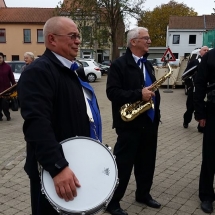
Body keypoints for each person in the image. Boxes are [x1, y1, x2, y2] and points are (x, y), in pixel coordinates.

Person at [17, 16, 102, 215]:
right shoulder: (39, 71)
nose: (78, 41)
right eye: (72, 36)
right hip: (52, 170)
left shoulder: (72, 70)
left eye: (78, 36)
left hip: (76, 162)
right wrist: (57, 167)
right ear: (52, 39)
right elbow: (36, 125)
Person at [106, 27, 161, 215]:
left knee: (147, 163)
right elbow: (112, 93)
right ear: (133, 42)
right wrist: (139, 94)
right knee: (123, 165)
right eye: (146, 38)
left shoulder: (148, 64)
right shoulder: (119, 65)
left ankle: (143, 194)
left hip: (149, 123)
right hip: (129, 125)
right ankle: (112, 202)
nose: (149, 41)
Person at [193, 48, 215, 214]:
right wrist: (200, 113)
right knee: (210, 155)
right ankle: (207, 195)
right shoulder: (209, 57)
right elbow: (199, 85)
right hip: (213, 112)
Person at [183, 46, 209, 132]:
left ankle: (201, 126)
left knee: (204, 107)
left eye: (207, 50)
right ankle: (186, 121)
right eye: (204, 50)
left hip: (207, 90)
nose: (206, 51)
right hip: (194, 89)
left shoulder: (211, 62)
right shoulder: (196, 62)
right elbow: (185, 75)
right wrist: (190, 85)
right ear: (200, 52)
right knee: (190, 107)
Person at [0, 52, 16, 121]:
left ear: (3, 58)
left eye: (0, 58)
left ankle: (8, 116)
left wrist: (14, 86)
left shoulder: (7, 67)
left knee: (5, 104)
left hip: (6, 90)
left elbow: (12, 78)